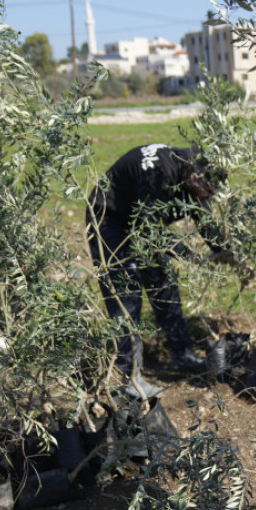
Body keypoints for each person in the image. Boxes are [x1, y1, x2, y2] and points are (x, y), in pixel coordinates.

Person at [86, 143, 225, 397]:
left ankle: (182, 355)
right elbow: (151, 233)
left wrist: (223, 250)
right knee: (126, 294)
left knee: (163, 282)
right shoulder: (159, 175)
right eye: (208, 191)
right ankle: (129, 378)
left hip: (141, 220)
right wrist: (191, 256)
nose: (210, 197)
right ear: (196, 178)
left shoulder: (193, 170)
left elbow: (201, 211)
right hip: (109, 217)